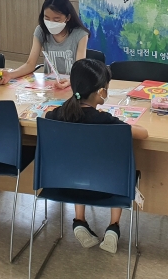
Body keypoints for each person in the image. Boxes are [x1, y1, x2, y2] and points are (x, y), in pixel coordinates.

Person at [44, 59, 148, 254]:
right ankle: (113, 227)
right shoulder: (105, 121)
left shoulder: (55, 116)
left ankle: (79, 220)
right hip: (108, 189)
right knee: (119, 166)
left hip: (64, 186)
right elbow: (143, 134)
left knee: (78, 162)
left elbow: (47, 116)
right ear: (101, 92)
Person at [0, 0, 89, 89]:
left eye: (56, 19)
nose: (51, 23)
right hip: (50, 86)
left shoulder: (80, 34)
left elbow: (79, 70)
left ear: (68, 17)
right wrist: (10, 74)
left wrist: (70, 81)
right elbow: (30, 64)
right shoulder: (41, 31)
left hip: (72, 85)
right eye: (47, 18)